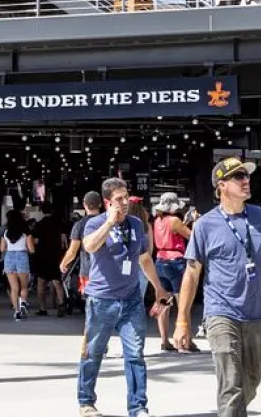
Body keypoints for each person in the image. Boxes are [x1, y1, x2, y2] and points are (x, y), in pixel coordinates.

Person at [173, 156, 261, 417]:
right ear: (222, 185)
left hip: (255, 314)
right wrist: (182, 321)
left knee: (251, 380)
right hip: (220, 313)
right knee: (231, 384)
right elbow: (192, 274)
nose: (246, 181)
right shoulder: (205, 225)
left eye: (247, 176)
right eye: (238, 177)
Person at [77, 178, 171, 417]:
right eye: (119, 199)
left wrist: (158, 287)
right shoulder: (94, 223)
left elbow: (144, 258)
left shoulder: (136, 224)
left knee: (135, 354)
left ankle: (138, 407)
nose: (125, 202)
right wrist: (109, 222)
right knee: (93, 351)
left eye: (126, 196)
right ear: (107, 202)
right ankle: (86, 401)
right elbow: (89, 246)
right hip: (102, 299)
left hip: (131, 300)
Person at [152, 191, 198, 352]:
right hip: (176, 261)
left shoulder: (157, 221)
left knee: (163, 302)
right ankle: (187, 341)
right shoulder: (175, 220)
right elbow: (192, 237)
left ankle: (164, 341)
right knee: (183, 302)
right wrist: (194, 223)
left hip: (160, 260)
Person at [61, 191, 103, 301]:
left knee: (91, 302)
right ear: (100, 204)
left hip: (88, 270)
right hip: (106, 270)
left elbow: (72, 251)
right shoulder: (107, 222)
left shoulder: (79, 224)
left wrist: (64, 263)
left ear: (84, 205)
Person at [31, 201, 67, 317]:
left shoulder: (39, 225)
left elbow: (35, 241)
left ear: (42, 211)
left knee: (41, 284)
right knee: (57, 282)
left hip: (43, 256)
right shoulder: (59, 224)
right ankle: (61, 304)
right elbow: (63, 241)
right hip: (56, 256)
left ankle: (43, 308)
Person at [0, 209, 34, 321]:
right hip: (22, 256)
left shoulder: (5, 231)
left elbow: (2, 248)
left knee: (14, 287)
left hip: (9, 257)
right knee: (24, 286)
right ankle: (23, 302)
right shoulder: (25, 231)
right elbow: (31, 249)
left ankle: (17, 311)